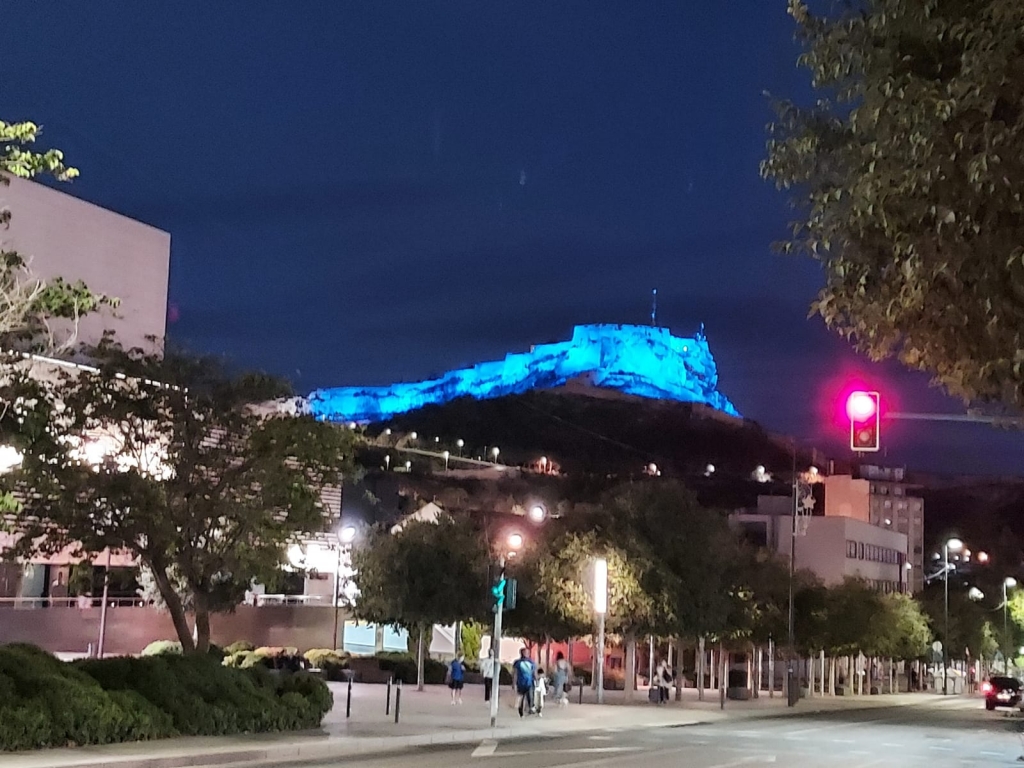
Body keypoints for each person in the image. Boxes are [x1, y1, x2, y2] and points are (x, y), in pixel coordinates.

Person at [512, 647, 535, 717]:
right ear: (521, 653)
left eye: (527, 652)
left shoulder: (531, 662)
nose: (526, 654)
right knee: (521, 698)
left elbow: (533, 672)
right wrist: (514, 683)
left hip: (529, 682)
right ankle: (521, 712)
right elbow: (515, 673)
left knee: (530, 697)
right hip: (521, 683)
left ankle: (530, 708)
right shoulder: (517, 662)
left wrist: (536, 680)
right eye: (525, 652)